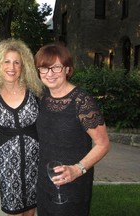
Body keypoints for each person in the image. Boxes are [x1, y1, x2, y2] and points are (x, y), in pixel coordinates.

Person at [34, 43, 110, 216]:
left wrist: (77, 169)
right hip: (45, 180)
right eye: (44, 68)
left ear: (67, 69)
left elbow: (103, 144)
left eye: (56, 67)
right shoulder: (42, 97)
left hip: (73, 182)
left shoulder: (82, 101)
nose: (50, 74)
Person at [0, 39, 43, 216]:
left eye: (17, 62)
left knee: (31, 208)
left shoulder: (36, 90)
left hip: (35, 155)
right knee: (13, 209)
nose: (12, 67)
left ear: (23, 66)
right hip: (7, 157)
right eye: (6, 61)